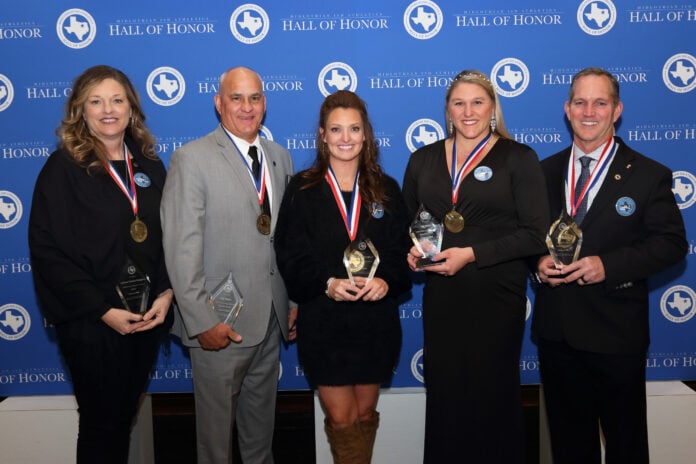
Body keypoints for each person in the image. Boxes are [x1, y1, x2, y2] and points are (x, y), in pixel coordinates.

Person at [532, 67, 687, 464]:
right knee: (569, 447)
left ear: (616, 110)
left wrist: (608, 265)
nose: (589, 112)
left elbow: (671, 244)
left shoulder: (648, 175)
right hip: (558, 333)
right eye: (580, 102)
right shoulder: (542, 173)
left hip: (616, 334)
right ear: (567, 109)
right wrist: (537, 262)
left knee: (626, 445)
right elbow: (527, 237)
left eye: (600, 103)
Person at [28, 65, 173, 463]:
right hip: (93, 324)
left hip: (144, 319)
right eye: (96, 101)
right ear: (80, 110)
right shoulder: (62, 169)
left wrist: (166, 292)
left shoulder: (149, 165)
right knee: (99, 425)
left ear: (132, 109)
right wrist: (102, 310)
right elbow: (47, 253)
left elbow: (170, 237)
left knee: (122, 420)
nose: (107, 109)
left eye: (117, 100)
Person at [402, 70, 549, 463]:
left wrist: (472, 254)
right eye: (459, 103)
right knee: (446, 395)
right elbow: (409, 223)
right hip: (443, 298)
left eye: (478, 102)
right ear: (448, 109)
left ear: (493, 108)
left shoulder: (518, 157)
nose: (468, 112)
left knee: (492, 394)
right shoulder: (424, 159)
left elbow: (537, 235)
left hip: (496, 294)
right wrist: (413, 250)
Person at [161, 66, 296, 464]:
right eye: (236, 98)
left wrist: (291, 301)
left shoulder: (279, 157)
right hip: (219, 324)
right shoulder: (191, 158)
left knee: (260, 436)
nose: (247, 107)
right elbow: (180, 248)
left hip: (270, 318)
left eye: (255, 97)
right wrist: (201, 321)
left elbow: (285, 239)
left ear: (265, 104)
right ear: (219, 103)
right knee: (216, 443)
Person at [274, 90, 412, 463]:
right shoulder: (302, 189)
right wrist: (327, 283)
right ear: (322, 135)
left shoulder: (387, 189)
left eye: (354, 129)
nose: (346, 138)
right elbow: (289, 253)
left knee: (365, 415)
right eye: (336, 129)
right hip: (325, 323)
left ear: (366, 134)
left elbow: (404, 253)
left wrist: (387, 280)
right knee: (342, 416)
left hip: (374, 322)